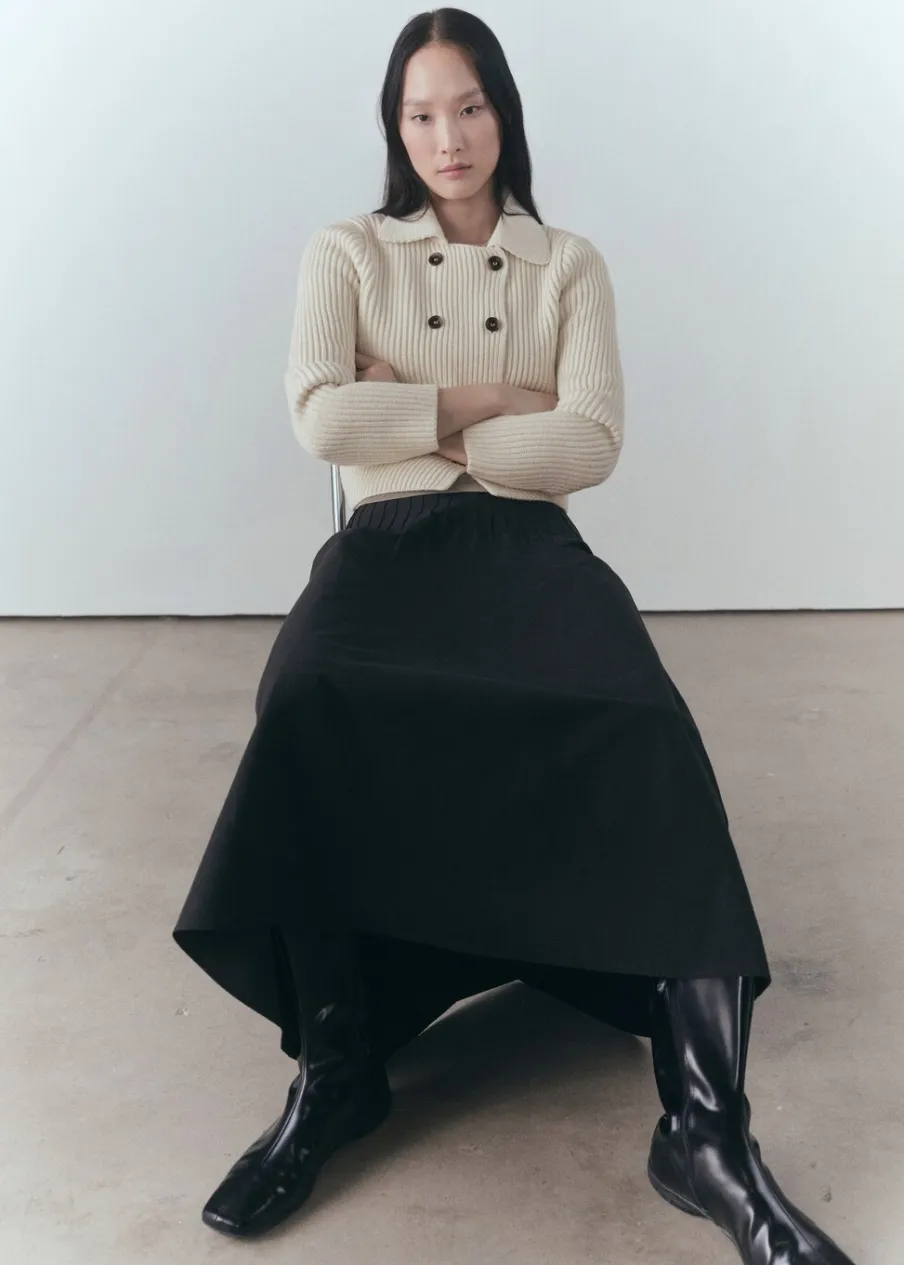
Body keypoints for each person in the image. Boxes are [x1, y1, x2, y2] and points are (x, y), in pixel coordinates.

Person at [172, 10, 857, 1264]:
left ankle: (706, 1130)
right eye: (421, 113)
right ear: (395, 129)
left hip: (529, 542)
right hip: (383, 545)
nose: (448, 136)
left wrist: (412, 411)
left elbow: (587, 442)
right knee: (306, 700)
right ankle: (337, 1073)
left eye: (470, 106)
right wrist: (494, 398)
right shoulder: (346, 250)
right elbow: (322, 421)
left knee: (643, 718)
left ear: (505, 112)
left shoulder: (567, 264)